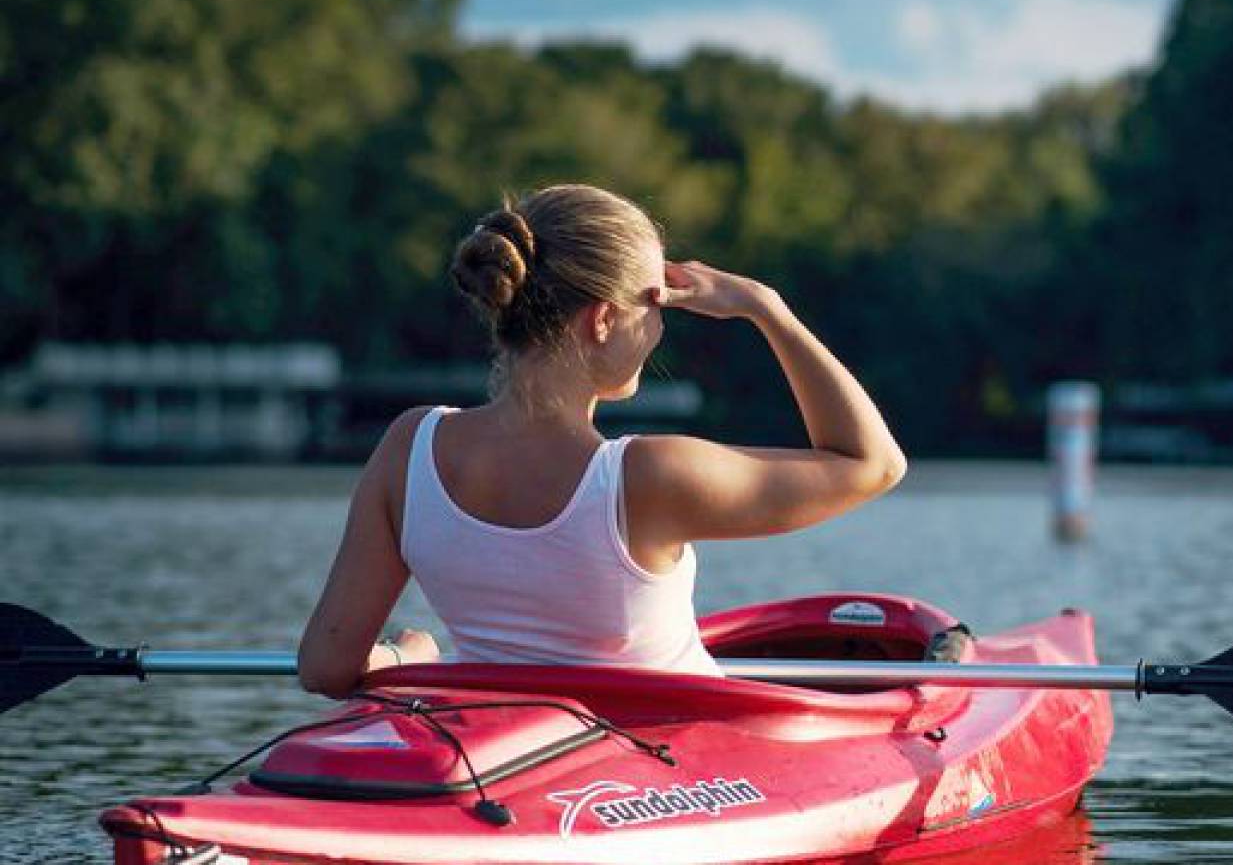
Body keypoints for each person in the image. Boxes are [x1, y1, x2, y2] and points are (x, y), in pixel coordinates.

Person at [297, 184, 907, 697]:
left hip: (509, 763)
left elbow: (327, 667)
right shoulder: (649, 475)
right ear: (605, 319)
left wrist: (412, 663)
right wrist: (770, 312)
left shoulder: (410, 447)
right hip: (666, 776)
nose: (662, 326)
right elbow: (873, 463)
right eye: (657, 304)